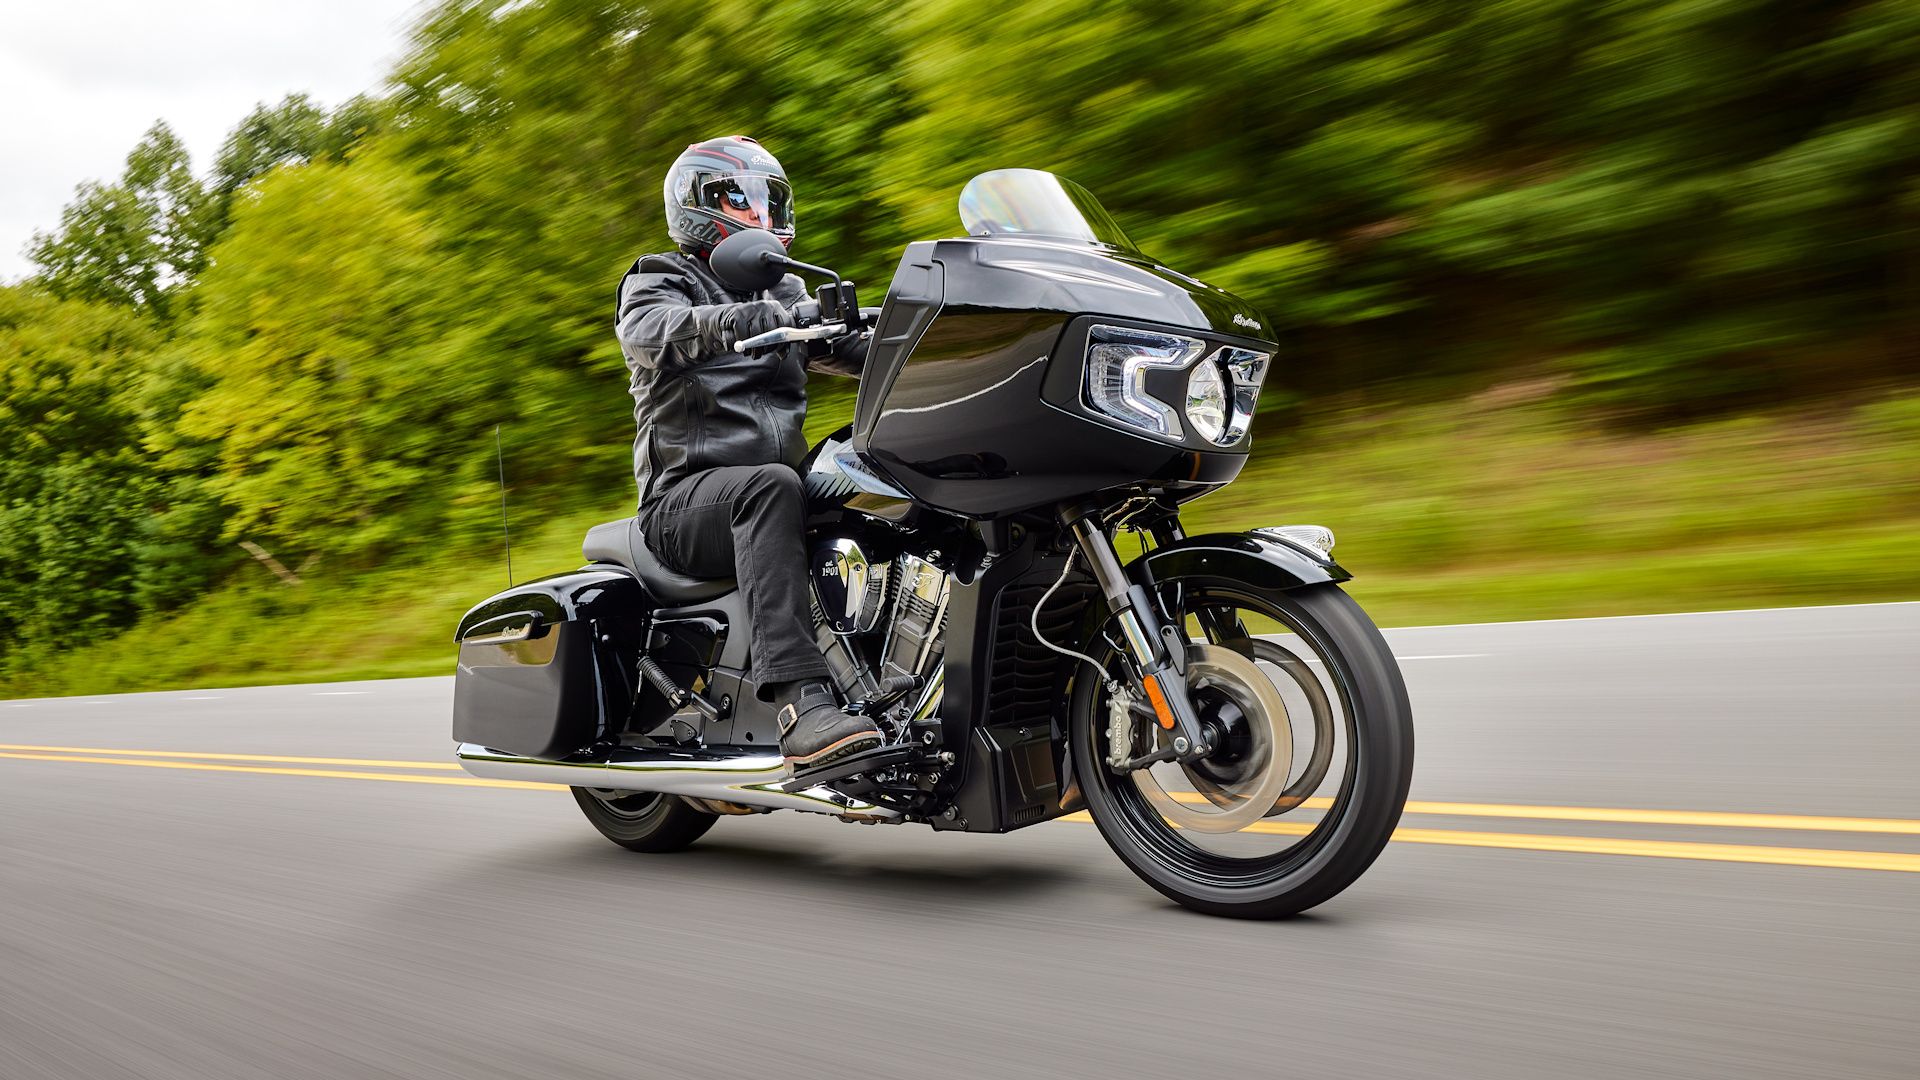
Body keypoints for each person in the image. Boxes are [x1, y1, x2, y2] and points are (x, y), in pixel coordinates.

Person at [613, 135, 881, 771]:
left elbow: (852, 350)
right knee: (770, 486)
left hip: (770, 484)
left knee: (874, 465)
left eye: (768, 198)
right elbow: (659, 335)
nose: (761, 213)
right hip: (683, 502)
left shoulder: (783, 290)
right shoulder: (657, 281)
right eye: (743, 198)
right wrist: (746, 320)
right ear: (702, 205)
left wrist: (934, 336)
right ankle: (800, 705)